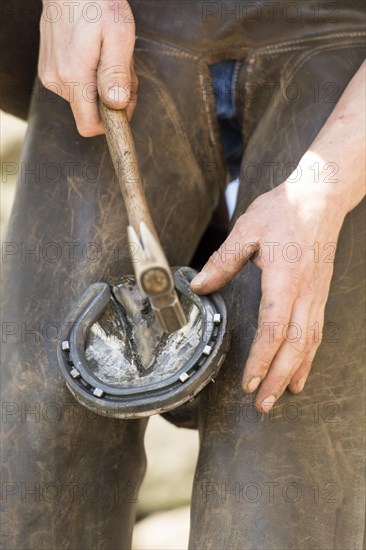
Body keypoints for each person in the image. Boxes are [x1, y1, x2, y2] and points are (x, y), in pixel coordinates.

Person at [1, 1, 365, 548]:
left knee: (280, 466)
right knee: (36, 452)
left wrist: (323, 192)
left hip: (340, 37)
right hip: (125, 24)